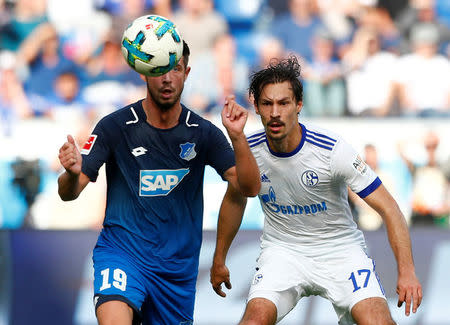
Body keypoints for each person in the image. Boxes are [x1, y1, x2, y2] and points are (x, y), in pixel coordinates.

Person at [57, 40, 261, 325]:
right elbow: (70, 192)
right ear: (143, 71)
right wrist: (69, 173)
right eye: (158, 69)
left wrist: (238, 137)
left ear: (187, 73)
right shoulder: (114, 126)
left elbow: (248, 188)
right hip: (123, 254)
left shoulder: (203, 133)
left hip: (175, 271)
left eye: (175, 68)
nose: (167, 78)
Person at [210, 56, 422, 324]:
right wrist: (219, 259)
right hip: (283, 251)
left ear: (298, 105)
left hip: (340, 250)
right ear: (257, 107)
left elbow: (389, 207)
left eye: (283, 103)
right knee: (253, 320)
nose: (275, 112)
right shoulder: (247, 149)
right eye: (267, 103)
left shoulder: (332, 150)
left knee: (378, 321)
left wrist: (407, 271)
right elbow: (234, 200)